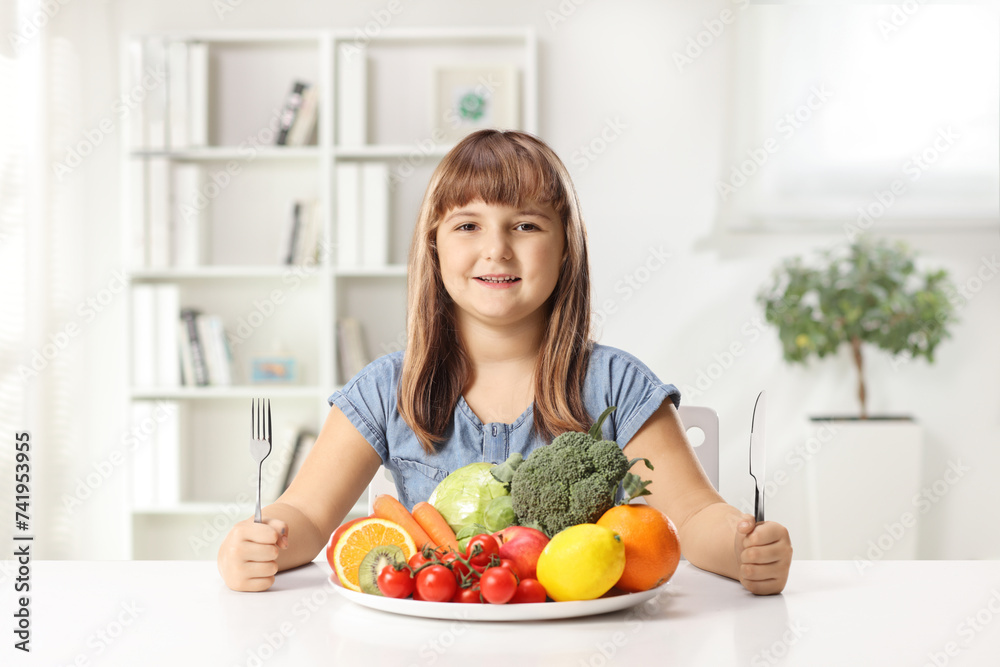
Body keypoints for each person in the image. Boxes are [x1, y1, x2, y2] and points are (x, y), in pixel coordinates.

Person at [218, 129, 792, 595]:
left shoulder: (615, 384)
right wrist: (258, 541)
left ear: (565, 246)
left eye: (526, 224)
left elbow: (693, 520)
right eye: (468, 225)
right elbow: (309, 517)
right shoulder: (387, 388)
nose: (497, 248)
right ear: (435, 244)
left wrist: (743, 548)